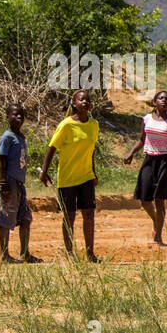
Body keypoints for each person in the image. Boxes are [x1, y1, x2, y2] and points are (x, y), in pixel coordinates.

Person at [39, 89, 99, 263]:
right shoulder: (66, 125)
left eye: (87, 100)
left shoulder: (94, 125)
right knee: (69, 216)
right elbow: (52, 148)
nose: (85, 102)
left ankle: (90, 253)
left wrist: (94, 172)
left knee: (89, 215)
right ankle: (70, 253)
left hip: (86, 176)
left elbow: (92, 150)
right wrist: (44, 171)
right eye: (81, 100)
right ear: (74, 104)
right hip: (67, 178)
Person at [123, 89, 167, 247]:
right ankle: (157, 221)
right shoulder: (147, 118)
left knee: (159, 200)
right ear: (155, 101)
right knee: (144, 200)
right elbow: (142, 139)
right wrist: (131, 153)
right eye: (161, 98)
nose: (164, 101)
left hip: (165, 162)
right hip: (149, 160)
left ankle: (158, 236)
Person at [0, 103, 40, 263]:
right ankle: (4, 255)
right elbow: (1, 160)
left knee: (26, 218)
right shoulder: (7, 137)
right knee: (5, 218)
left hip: (20, 183)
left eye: (21, 115)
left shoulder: (20, 137)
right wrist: (2, 183)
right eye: (15, 114)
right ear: (8, 117)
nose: (19, 117)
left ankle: (24, 253)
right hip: (9, 183)